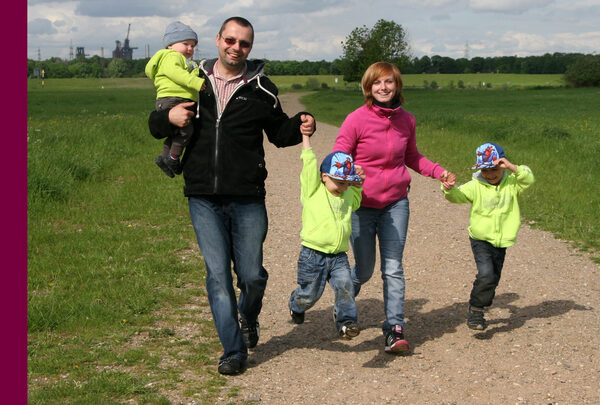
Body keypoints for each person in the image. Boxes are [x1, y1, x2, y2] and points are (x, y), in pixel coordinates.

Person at [148, 16, 316, 375]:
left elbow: (279, 132)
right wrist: (170, 119)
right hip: (203, 196)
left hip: (247, 196)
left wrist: (302, 121)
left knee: (252, 275)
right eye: (230, 40)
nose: (235, 48)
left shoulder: (261, 87)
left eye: (243, 43)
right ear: (218, 39)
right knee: (217, 276)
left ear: (250, 48)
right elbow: (155, 122)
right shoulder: (195, 81)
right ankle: (233, 350)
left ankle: (249, 316)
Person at [332, 61, 454, 354]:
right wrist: (350, 173)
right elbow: (338, 156)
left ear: (397, 86)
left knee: (393, 268)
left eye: (388, 82)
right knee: (364, 270)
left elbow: (412, 156)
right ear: (368, 87)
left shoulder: (406, 120)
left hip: (396, 204)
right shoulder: (356, 120)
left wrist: (439, 172)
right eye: (377, 83)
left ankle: (394, 329)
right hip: (362, 204)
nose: (383, 88)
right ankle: (343, 307)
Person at [441, 142, 534, 330]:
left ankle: (481, 305)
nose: (490, 175)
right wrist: (449, 189)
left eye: (494, 169)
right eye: (485, 171)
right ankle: (476, 310)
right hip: (480, 238)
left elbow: (528, 179)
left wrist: (512, 167)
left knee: (493, 278)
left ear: (502, 166)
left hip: (502, 240)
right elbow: (458, 196)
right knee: (486, 274)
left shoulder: (512, 183)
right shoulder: (476, 186)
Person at [288, 133, 365, 339]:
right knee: (309, 295)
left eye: (346, 183)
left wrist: (358, 186)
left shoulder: (348, 192)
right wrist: (305, 139)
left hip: (339, 255)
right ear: (324, 176)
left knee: (346, 286)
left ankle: (346, 323)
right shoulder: (313, 190)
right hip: (313, 254)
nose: (342, 187)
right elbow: (309, 164)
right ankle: (296, 304)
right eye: (338, 182)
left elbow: (356, 202)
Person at [146, 21, 206, 178]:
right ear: (170, 45)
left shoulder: (182, 60)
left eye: (193, 46)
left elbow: (184, 74)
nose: (190, 49)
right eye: (185, 43)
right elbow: (176, 74)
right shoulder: (171, 56)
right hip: (172, 99)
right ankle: (173, 158)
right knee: (187, 131)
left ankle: (163, 157)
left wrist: (196, 73)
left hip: (176, 99)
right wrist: (197, 82)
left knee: (175, 134)